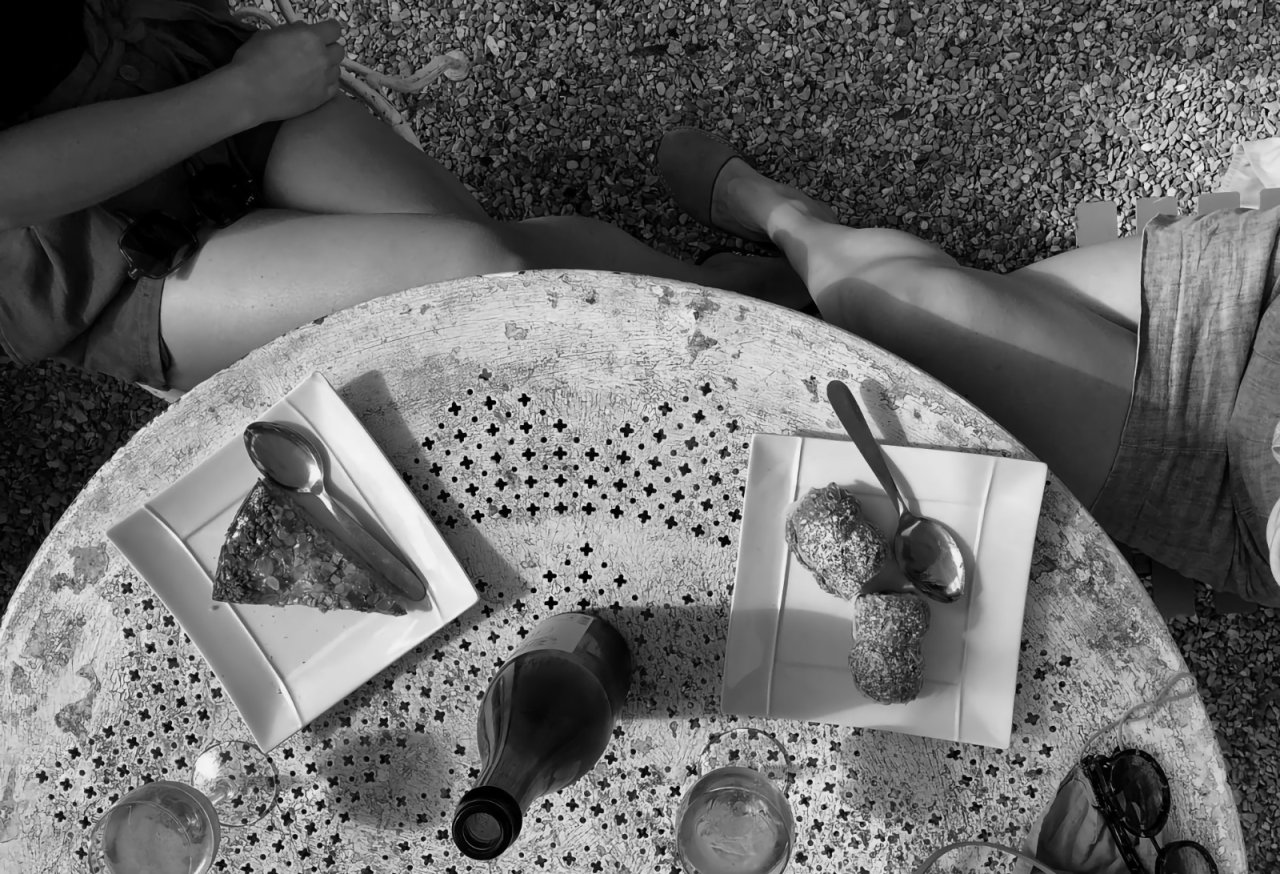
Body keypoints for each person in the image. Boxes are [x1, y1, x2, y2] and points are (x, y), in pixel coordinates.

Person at [0, 1, 808, 394]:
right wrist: (245, 94)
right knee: (476, 268)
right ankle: (756, 304)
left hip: (168, 61)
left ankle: (722, 300)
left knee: (497, 263)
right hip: (82, 244)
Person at [657, 126, 1280, 608]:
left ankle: (795, 260)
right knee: (908, 316)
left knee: (901, 310)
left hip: (1229, 492)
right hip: (1260, 300)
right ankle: (790, 224)